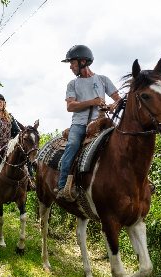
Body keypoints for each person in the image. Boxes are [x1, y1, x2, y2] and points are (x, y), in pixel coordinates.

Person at [56, 45, 121, 201]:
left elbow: (118, 100)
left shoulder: (103, 80)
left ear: (83, 61)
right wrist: (93, 101)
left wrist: (112, 105)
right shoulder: (73, 84)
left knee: (122, 143)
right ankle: (62, 186)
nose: (70, 67)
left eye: (72, 63)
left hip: (101, 121)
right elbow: (70, 106)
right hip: (79, 124)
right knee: (72, 146)